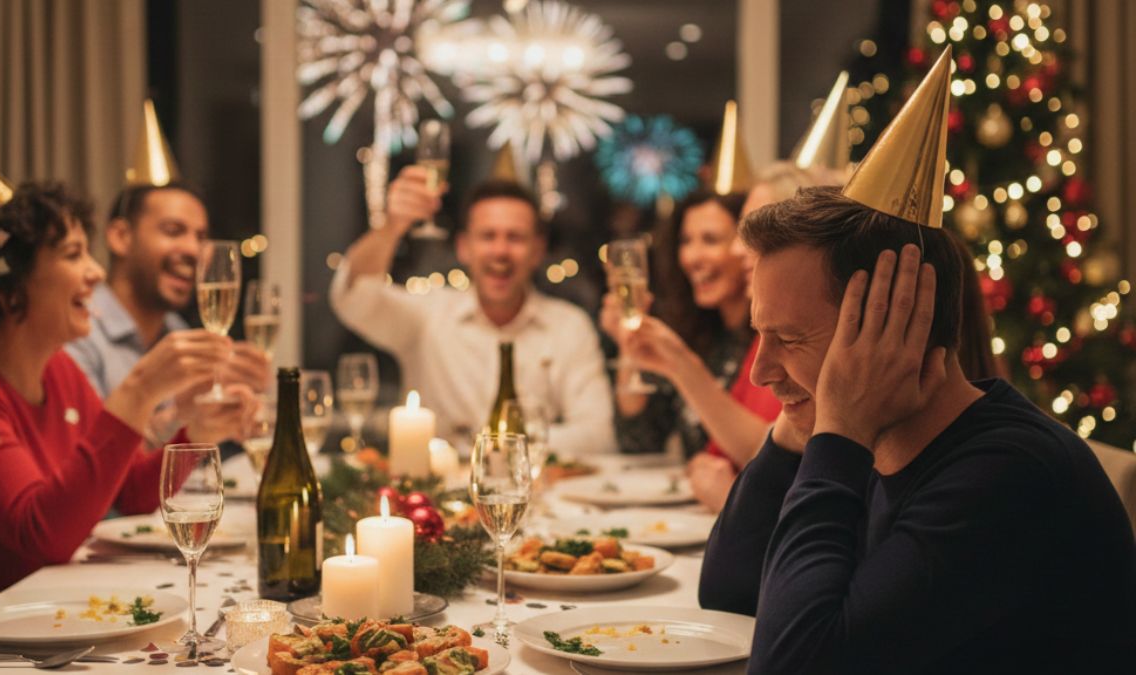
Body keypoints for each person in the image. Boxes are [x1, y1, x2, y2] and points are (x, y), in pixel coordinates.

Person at [699, 50, 1135, 672]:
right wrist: (798, 426)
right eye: (760, 337)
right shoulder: (889, 439)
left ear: (894, 328)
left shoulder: (1006, 477)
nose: (759, 372)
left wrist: (837, 431)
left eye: (789, 339)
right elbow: (730, 598)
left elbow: (793, 666)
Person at [0, 126, 253, 606]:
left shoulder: (58, 370)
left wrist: (194, 430)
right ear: (10, 287)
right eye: (72, 255)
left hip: (50, 618)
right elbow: (41, 533)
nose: (96, 272)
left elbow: (134, 495)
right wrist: (140, 389)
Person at [330, 167, 615, 455]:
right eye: (488, 236)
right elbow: (353, 298)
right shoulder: (426, 316)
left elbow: (598, 436)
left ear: (538, 251)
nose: (500, 251)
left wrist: (499, 445)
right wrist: (391, 227)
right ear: (464, 247)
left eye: (515, 237)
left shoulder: (568, 326)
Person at [616, 162, 831, 512]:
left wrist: (734, 497)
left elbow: (788, 473)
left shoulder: (816, 346)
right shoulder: (745, 338)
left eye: (747, 235)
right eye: (686, 241)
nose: (735, 251)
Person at [66, 100, 269, 445]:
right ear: (120, 236)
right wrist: (176, 412)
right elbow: (87, 465)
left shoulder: (175, 331)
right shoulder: (79, 334)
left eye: (200, 237)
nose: (193, 250)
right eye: (174, 231)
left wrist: (227, 414)